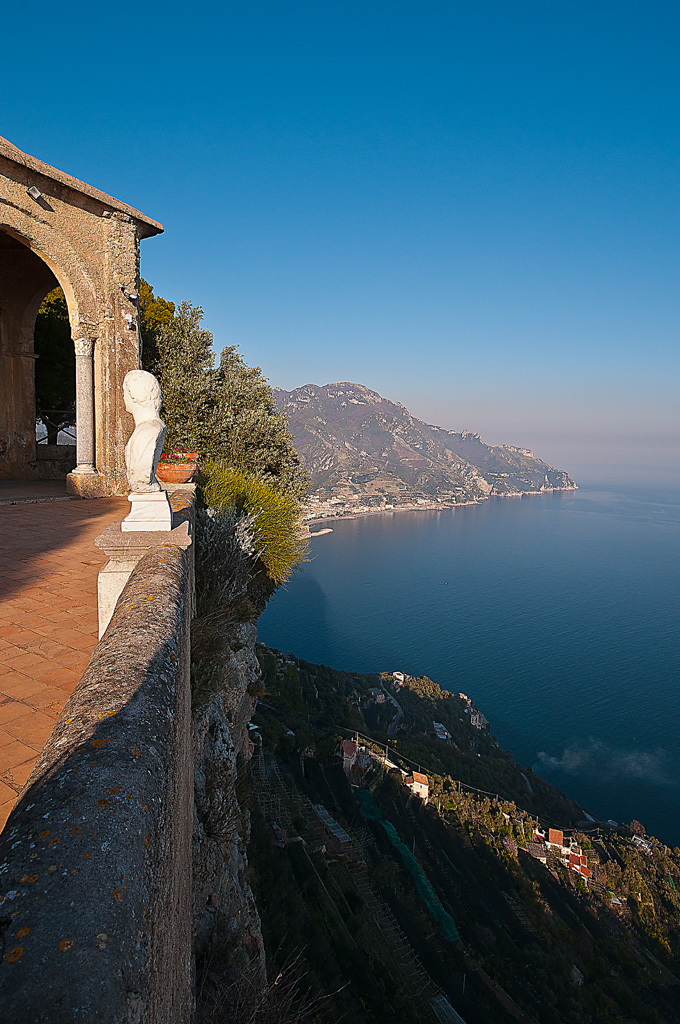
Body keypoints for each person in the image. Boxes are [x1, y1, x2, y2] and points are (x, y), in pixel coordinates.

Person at [123, 369, 166, 492]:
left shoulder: (148, 431)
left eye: (124, 392)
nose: (123, 396)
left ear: (134, 396)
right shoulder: (148, 428)